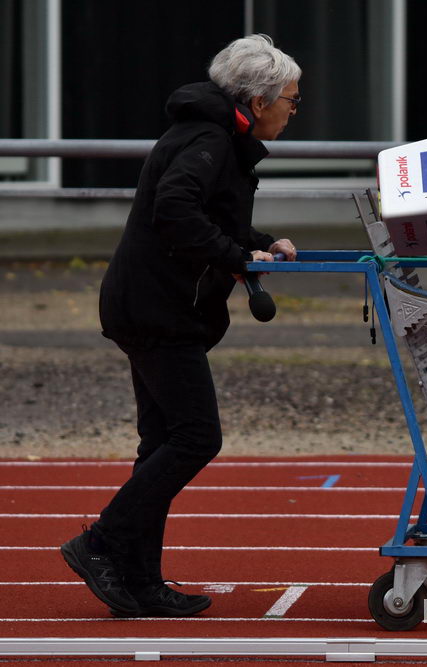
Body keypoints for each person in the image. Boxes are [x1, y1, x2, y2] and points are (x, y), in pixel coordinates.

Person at [60, 34, 301, 618]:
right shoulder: (209, 137)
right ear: (260, 99)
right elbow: (175, 210)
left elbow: (207, 214)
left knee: (160, 444)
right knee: (197, 438)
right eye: (292, 100)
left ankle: (140, 582)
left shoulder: (215, 136)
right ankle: (100, 544)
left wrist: (258, 244)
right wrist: (234, 257)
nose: (296, 110)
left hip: (150, 305)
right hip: (157, 311)